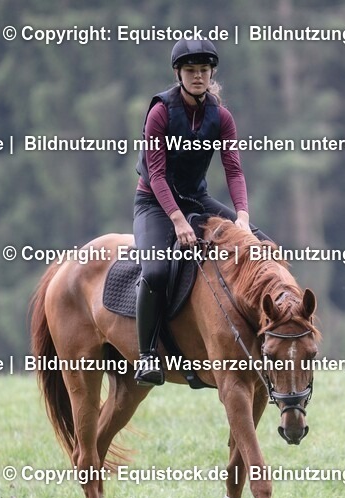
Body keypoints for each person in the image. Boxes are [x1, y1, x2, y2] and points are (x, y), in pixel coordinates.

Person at [131, 38, 254, 386]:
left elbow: (234, 171)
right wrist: (176, 219)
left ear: (211, 74)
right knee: (156, 271)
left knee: (260, 247)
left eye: (203, 70)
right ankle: (147, 355)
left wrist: (242, 217)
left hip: (197, 201)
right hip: (155, 204)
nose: (197, 76)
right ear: (178, 74)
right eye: (190, 70)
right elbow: (156, 175)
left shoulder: (221, 117)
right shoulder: (160, 112)